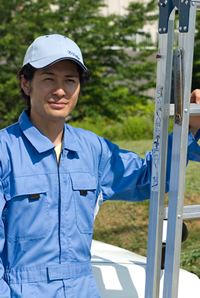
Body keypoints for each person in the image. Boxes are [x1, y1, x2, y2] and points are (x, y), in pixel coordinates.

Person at [0, 34, 200, 298]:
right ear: (26, 84)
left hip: (83, 290)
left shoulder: (92, 149)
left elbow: (147, 178)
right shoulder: (5, 151)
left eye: (70, 80)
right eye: (48, 78)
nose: (60, 90)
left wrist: (189, 128)